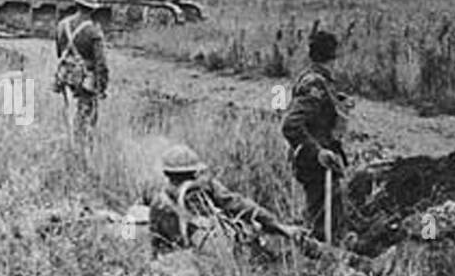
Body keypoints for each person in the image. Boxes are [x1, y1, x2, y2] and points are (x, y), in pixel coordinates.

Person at [146, 144, 307, 256]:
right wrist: (279, 227)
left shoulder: (158, 203)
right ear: (195, 172)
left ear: (166, 174)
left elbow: (157, 245)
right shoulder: (206, 188)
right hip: (209, 258)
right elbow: (241, 206)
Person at [282, 29, 350, 242]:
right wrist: (318, 152)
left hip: (318, 160)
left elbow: (315, 106)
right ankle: (320, 260)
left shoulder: (314, 77)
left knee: (326, 215)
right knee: (323, 223)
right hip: (316, 163)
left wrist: (337, 100)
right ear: (334, 55)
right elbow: (291, 124)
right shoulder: (315, 82)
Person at [53, 0, 109, 138]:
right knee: (87, 120)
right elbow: (101, 63)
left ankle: (70, 142)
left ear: (76, 4)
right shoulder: (93, 31)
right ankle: (82, 151)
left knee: (69, 115)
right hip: (85, 81)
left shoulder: (61, 25)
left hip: (65, 76)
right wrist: (101, 87)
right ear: (92, 9)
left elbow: (59, 53)